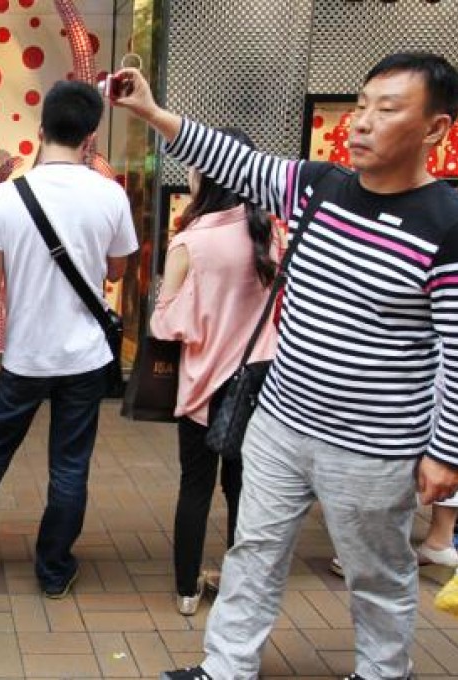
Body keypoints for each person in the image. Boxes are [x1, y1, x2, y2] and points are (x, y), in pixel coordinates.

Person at [112, 51, 458, 680]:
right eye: (360, 106)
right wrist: (152, 111)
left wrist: (445, 450)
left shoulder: (449, 226)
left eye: (387, 109)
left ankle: (384, 673)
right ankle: (227, 667)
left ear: (435, 129)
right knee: (254, 549)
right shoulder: (317, 187)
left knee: (376, 573)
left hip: (375, 445)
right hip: (280, 422)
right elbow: (234, 160)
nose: (361, 123)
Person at [0, 80, 138, 599]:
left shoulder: (10, 196)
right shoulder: (110, 194)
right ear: (90, 136)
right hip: (84, 358)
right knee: (70, 464)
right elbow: (118, 270)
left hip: (27, 356)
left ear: (41, 131)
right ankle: (54, 569)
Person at [151, 127, 280, 617]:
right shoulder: (269, 231)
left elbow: (167, 322)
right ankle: (239, 586)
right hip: (262, 381)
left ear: (208, 171)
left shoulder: (191, 241)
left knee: (196, 485)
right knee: (243, 487)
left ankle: (187, 590)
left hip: (206, 385)